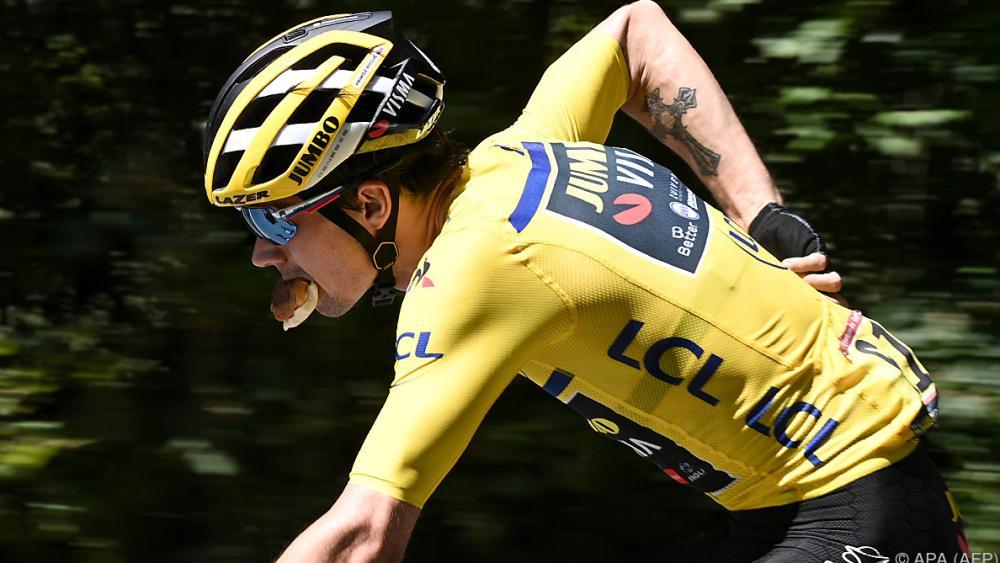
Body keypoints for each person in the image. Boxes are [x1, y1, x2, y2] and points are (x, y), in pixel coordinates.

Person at [201, 4, 968, 562]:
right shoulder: (521, 152)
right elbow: (636, 33)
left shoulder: (470, 272)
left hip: (853, 511)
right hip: (817, 501)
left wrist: (761, 215)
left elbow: (362, 536)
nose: (265, 259)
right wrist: (762, 212)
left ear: (369, 202)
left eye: (273, 225)